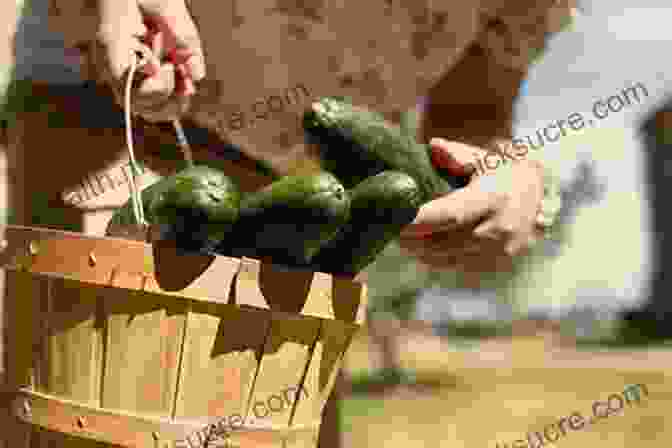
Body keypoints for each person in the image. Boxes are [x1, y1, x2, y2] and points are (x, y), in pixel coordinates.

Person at [1, 1, 570, 447]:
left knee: (264, 420)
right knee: (100, 397)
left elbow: (472, 112)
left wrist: (501, 174)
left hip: (312, 166)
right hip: (118, 80)